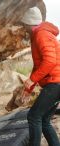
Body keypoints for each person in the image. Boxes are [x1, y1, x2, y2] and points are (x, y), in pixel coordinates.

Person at [20, 7, 60, 146]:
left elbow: (50, 61)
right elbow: (38, 67)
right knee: (43, 120)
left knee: (33, 116)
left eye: (24, 24)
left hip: (55, 84)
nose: (23, 27)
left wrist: (31, 80)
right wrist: (28, 89)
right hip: (55, 83)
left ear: (29, 23)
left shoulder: (41, 35)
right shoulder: (40, 34)